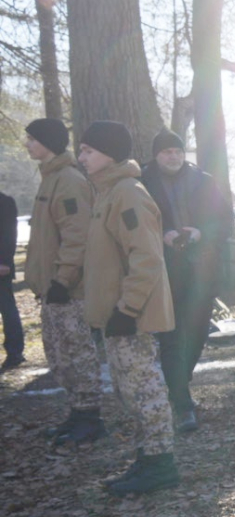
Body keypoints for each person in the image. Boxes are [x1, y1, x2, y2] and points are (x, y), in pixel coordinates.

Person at [76, 121, 180, 495]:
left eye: (88, 150)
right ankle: (147, 457)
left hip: (132, 316)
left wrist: (128, 307)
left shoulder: (128, 194)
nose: (81, 157)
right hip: (117, 314)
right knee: (128, 389)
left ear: (110, 154)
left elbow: (148, 257)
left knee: (144, 388)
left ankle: (160, 463)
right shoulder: (108, 192)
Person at [140, 128, 235, 434]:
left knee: (195, 335)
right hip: (163, 272)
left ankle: (179, 382)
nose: (174, 157)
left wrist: (199, 233)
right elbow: (135, 226)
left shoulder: (203, 181)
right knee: (170, 337)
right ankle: (182, 405)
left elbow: (225, 221)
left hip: (201, 271)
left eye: (178, 151)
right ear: (156, 155)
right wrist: (162, 234)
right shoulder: (142, 183)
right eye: (167, 152)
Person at [25, 119, 105, 444]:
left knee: (78, 353)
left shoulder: (68, 180)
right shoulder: (50, 178)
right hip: (53, 290)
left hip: (69, 290)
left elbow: (77, 236)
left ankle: (91, 419)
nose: (27, 144)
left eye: (32, 139)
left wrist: (62, 279)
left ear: (48, 142)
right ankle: (77, 413)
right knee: (60, 356)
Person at [0, 189, 23, 370]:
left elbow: (9, 235)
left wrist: (5, 261)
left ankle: (15, 351)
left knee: (7, 308)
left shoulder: (5, 202)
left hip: (1, 266)